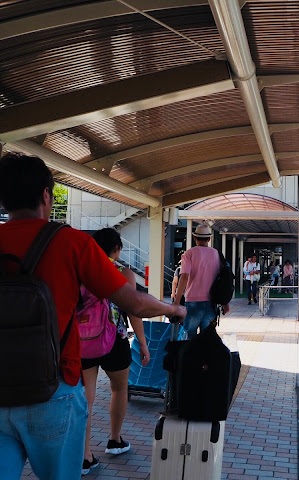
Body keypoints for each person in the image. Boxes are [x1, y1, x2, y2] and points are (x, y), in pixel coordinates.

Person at [0, 152, 186, 480]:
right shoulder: (70, 242)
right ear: (46, 195)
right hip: (53, 390)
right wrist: (174, 308)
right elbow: (135, 304)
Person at [79, 228, 151, 475]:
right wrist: (142, 342)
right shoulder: (123, 273)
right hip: (115, 339)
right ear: (117, 249)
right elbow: (133, 311)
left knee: (86, 399)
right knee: (119, 388)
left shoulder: (82, 271)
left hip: (85, 340)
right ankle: (114, 439)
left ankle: (85, 456)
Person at [172, 224, 230, 339]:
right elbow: (222, 280)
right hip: (211, 302)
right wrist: (225, 302)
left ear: (194, 238)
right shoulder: (216, 254)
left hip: (193, 303)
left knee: (190, 337)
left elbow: (184, 277)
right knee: (207, 339)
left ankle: (192, 357)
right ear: (209, 239)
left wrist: (177, 301)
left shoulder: (189, 254)